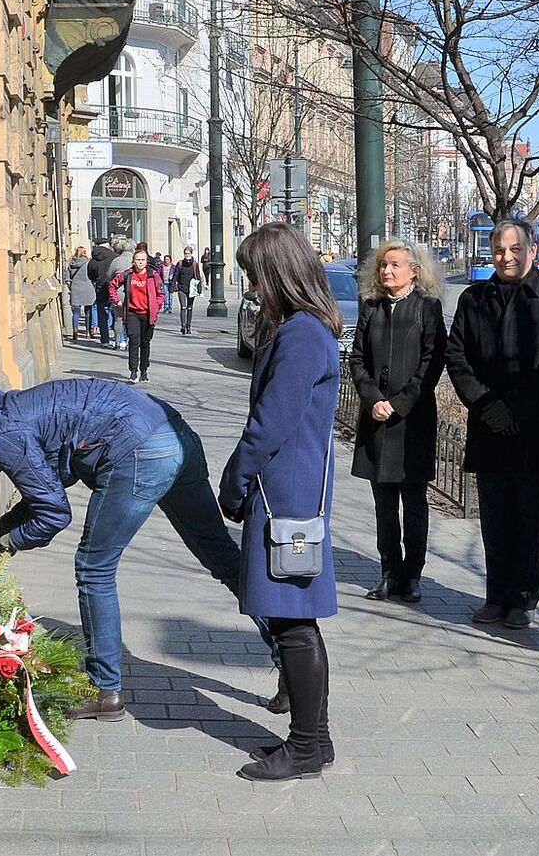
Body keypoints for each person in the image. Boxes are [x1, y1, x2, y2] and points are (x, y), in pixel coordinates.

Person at [0, 378, 279, 722]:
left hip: (138, 450)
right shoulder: (8, 412)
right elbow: (44, 497)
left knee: (93, 568)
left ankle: (105, 689)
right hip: (174, 435)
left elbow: (54, 515)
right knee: (223, 558)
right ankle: (291, 662)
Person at [219, 223, 340, 782]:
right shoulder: (300, 329)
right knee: (295, 621)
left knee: (294, 623)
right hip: (286, 489)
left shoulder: (301, 334)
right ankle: (316, 739)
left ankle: (308, 745)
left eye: (254, 276)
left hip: (284, 493)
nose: (252, 288)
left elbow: (271, 422)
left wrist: (235, 478)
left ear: (279, 274)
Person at [446, 216, 539, 628]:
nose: (506, 257)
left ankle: (523, 598)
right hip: (488, 428)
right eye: (499, 250)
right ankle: (495, 594)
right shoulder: (474, 299)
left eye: (514, 249)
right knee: (494, 518)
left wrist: (514, 410)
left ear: (532, 251)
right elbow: (457, 357)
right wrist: (488, 406)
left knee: (528, 518)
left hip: (534, 430)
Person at [349, 240, 447, 604]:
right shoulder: (371, 308)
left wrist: (400, 404)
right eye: (382, 265)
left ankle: (413, 574)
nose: (386, 271)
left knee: (415, 502)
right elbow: (357, 359)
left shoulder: (427, 308)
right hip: (377, 420)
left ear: (414, 271)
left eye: (394, 265)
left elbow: (432, 363)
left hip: (412, 422)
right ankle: (389, 571)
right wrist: (374, 399)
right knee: (384, 504)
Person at [111, 247, 164, 384]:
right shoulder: (128, 274)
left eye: (143, 260)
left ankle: (144, 371)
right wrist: (116, 301)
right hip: (132, 313)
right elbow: (112, 285)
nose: (140, 262)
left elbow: (160, 293)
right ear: (133, 261)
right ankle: (133, 371)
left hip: (148, 314)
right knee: (134, 342)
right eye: (138, 260)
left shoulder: (153, 275)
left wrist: (156, 306)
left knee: (145, 343)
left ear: (146, 261)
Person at [105, 239, 134, 351]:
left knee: (118, 318)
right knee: (131, 318)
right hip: (133, 292)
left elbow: (109, 276)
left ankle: (117, 341)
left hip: (118, 292)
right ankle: (127, 342)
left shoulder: (116, 261)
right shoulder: (135, 260)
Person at [87, 239, 117, 345]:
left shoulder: (93, 260)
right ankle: (119, 339)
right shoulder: (114, 257)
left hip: (100, 289)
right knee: (116, 314)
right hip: (113, 288)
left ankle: (105, 339)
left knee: (102, 314)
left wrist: (97, 282)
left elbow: (90, 275)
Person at [67, 246, 96, 341]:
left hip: (75, 288)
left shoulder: (71, 263)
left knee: (76, 311)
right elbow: (93, 275)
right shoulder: (88, 263)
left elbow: (67, 278)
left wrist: (71, 287)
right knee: (88, 311)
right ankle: (88, 333)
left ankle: (75, 331)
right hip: (88, 288)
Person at [173, 245, 202, 336]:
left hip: (191, 289)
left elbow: (197, 276)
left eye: (188, 253)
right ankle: (183, 326)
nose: (187, 255)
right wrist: (173, 286)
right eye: (185, 253)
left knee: (189, 307)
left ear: (191, 253)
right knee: (183, 307)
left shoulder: (194, 264)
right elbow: (176, 275)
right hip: (182, 287)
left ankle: (189, 326)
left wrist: (199, 288)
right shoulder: (180, 263)